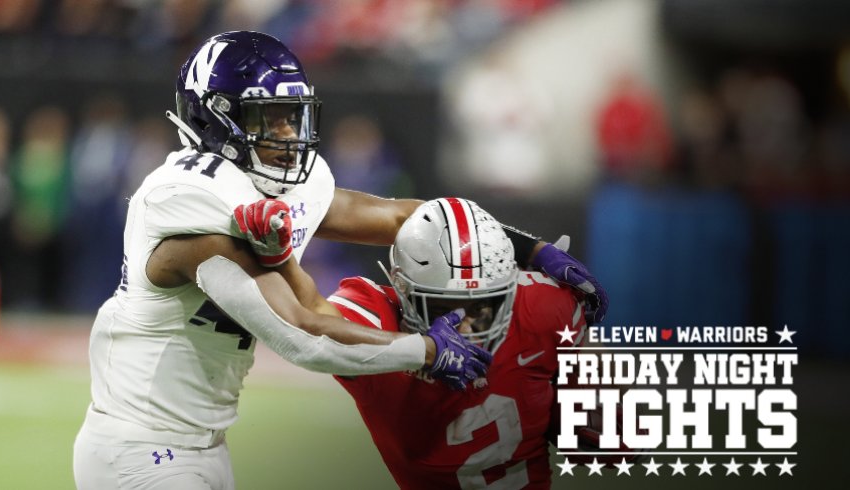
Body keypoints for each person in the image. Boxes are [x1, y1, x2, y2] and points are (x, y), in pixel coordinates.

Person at [72, 30, 605, 489]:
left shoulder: (278, 191)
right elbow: (302, 333)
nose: (287, 138)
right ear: (217, 121)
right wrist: (424, 350)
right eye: (271, 120)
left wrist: (531, 248)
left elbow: (407, 219)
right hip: (142, 445)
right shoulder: (190, 202)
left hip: (201, 442)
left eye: (292, 119)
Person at [322, 197, 590, 489]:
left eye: (484, 305)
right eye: (444, 307)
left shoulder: (542, 307)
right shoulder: (376, 314)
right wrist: (419, 351)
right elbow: (307, 330)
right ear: (402, 288)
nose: (466, 326)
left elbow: (619, 435)